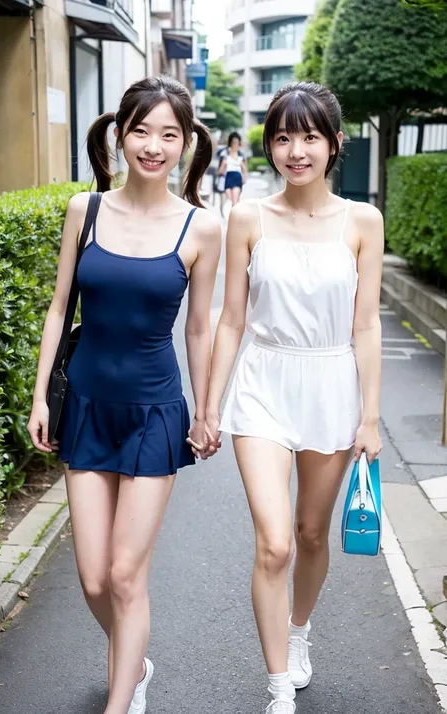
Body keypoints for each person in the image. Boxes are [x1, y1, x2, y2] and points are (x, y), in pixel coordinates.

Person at [27, 75, 221, 714]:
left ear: (187, 143)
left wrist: (206, 409)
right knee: (91, 578)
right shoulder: (86, 210)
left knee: (124, 574)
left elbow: (199, 326)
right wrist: (38, 398)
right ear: (120, 135)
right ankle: (132, 661)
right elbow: (59, 310)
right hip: (84, 406)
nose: (154, 145)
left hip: (155, 413)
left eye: (170, 134)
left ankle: (121, 701)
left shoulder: (200, 227)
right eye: (142, 130)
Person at [205, 82, 383, 714]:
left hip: (332, 383)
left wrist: (370, 415)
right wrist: (210, 406)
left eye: (310, 136)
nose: (296, 150)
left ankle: (300, 631)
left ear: (335, 144)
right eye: (283, 137)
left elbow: (366, 324)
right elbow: (230, 319)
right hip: (263, 386)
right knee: (274, 541)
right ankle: (279, 686)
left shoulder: (363, 221)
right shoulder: (247, 218)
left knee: (311, 535)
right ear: (270, 146)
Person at [218, 132, 248, 208]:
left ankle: (234, 218)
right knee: (229, 199)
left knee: (234, 202)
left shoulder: (241, 155)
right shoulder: (224, 154)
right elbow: (219, 172)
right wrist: (224, 164)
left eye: (237, 142)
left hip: (237, 178)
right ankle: (233, 215)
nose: (235, 144)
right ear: (230, 143)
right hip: (228, 178)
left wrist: (244, 178)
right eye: (233, 142)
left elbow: (245, 169)